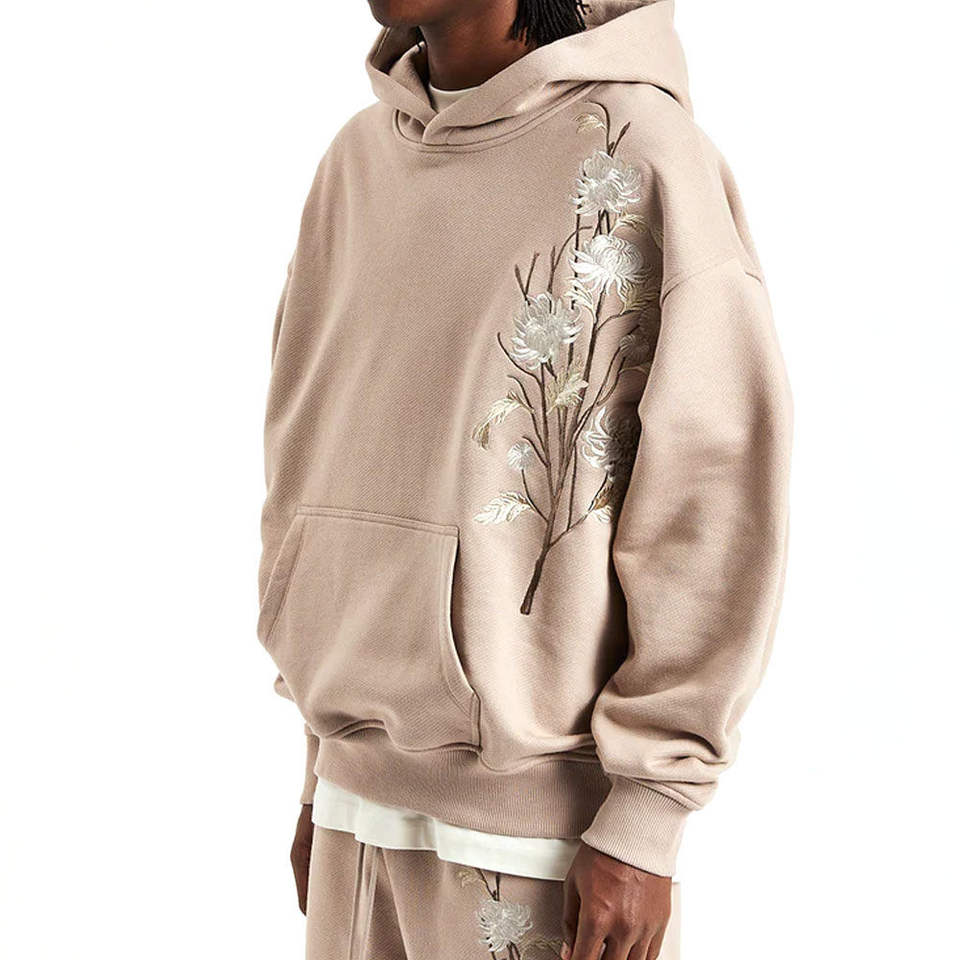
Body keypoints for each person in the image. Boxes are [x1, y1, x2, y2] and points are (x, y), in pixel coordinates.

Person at [257, 1, 792, 957]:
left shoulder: (638, 156)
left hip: (542, 845)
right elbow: (310, 455)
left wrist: (648, 815)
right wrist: (321, 765)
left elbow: (713, 498)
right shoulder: (356, 161)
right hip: (352, 812)